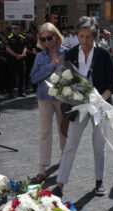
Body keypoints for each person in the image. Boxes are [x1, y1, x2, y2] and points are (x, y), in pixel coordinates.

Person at [51, 16, 113, 198]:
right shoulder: (71, 53)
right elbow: (65, 79)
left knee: (98, 145)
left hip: (101, 106)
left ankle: (99, 180)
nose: (85, 40)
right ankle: (60, 185)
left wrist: (101, 100)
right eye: (81, 36)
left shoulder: (103, 54)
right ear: (77, 35)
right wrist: (64, 93)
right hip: (79, 106)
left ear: (95, 36)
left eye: (88, 36)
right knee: (71, 144)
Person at [29, 23, 67, 184]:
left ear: (56, 37)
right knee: (45, 133)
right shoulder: (40, 57)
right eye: (42, 39)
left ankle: (65, 162)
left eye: (49, 38)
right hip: (44, 97)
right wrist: (51, 66)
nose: (46, 41)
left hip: (63, 98)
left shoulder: (67, 54)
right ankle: (42, 168)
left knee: (64, 132)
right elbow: (34, 78)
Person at [6, 24, 27, 97]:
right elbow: (7, 48)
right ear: (12, 30)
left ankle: (21, 92)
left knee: (22, 75)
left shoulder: (22, 37)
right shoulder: (8, 37)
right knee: (11, 75)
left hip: (21, 59)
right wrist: (15, 55)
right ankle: (10, 92)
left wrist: (23, 54)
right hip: (12, 59)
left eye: (17, 29)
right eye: (14, 29)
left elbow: (25, 47)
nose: (16, 30)